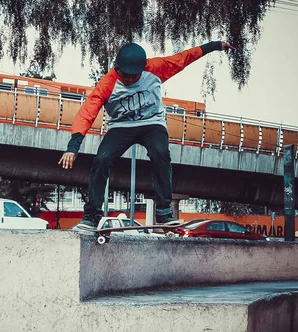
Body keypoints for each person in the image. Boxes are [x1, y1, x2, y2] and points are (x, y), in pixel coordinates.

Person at [59, 40, 235, 231]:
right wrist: (73, 146)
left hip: (152, 123)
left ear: (142, 69)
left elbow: (184, 58)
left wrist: (215, 45)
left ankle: (164, 212)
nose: (129, 80)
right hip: (121, 126)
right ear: (117, 68)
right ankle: (91, 216)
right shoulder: (108, 83)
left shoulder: (156, 68)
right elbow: (87, 112)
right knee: (102, 159)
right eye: (125, 76)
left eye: (134, 76)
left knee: (161, 153)